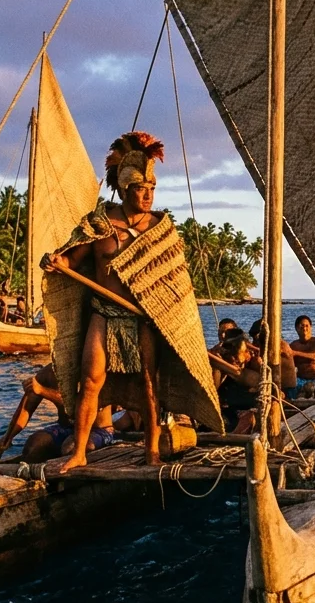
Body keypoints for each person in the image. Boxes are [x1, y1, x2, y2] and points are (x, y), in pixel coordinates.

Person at [40, 131, 223, 471]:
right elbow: (73, 260)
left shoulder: (160, 229)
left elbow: (174, 280)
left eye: (152, 188)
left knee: (149, 385)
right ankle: (79, 452)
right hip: (104, 313)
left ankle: (151, 451)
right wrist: (57, 261)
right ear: (125, 190)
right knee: (90, 379)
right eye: (141, 188)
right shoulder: (100, 223)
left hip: (143, 317)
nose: (148, 195)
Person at [249, 319, 299, 399]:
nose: (254, 342)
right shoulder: (261, 346)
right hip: (273, 386)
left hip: (286, 389)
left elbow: (263, 364)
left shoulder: (280, 345)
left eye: (256, 338)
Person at [289, 315, 315, 397]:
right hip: (300, 379)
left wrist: (295, 353)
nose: (304, 328)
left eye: (307, 326)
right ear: (296, 328)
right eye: (301, 326)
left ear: (311, 327)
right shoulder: (293, 345)